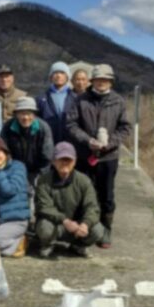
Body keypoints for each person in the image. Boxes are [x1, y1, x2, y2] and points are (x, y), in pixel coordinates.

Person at [66, 64, 130, 248]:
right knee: (83, 193)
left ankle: (105, 230)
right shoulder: (81, 100)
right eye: (98, 79)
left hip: (108, 157)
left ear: (111, 82)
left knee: (106, 195)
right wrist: (88, 141)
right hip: (85, 155)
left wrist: (109, 144)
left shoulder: (118, 101)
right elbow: (71, 125)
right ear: (92, 81)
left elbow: (125, 128)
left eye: (105, 79)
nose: (102, 82)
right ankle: (83, 228)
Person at [35, 142, 106, 258]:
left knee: (98, 230)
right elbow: (44, 207)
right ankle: (48, 244)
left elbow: (92, 207)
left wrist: (85, 224)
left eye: (68, 159)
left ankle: (78, 245)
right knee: (44, 226)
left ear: (75, 161)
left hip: (78, 225)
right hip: (56, 225)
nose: (65, 163)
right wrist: (65, 221)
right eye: (61, 159)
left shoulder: (84, 181)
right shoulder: (43, 180)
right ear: (54, 161)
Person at [0, 96, 54, 184]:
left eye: (29, 113)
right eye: (22, 113)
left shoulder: (43, 128)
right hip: (15, 170)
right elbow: (4, 152)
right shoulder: (8, 127)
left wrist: (40, 175)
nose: (25, 117)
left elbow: (47, 157)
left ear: (34, 115)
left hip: (37, 171)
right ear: (16, 114)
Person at [37, 61, 77, 144]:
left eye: (62, 73)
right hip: (48, 140)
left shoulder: (75, 98)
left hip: (71, 140)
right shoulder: (41, 99)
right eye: (55, 73)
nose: (58, 75)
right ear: (51, 77)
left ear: (67, 76)